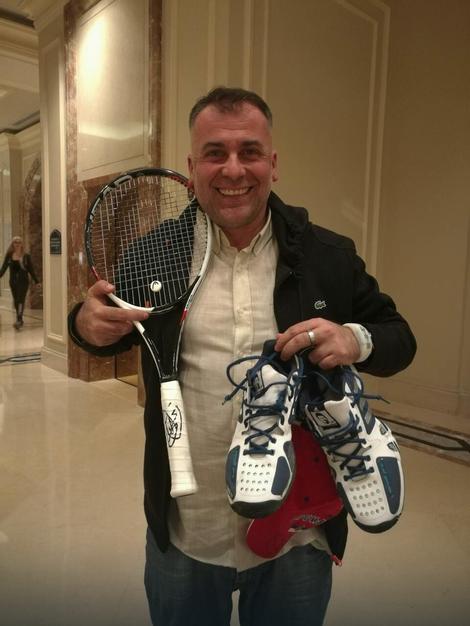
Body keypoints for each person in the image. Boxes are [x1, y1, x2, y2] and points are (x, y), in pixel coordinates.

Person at [68, 86, 416, 626]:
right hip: (186, 529)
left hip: (297, 537)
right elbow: (102, 330)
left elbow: (399, 339)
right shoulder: (153, 253)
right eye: (215, 153)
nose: (233, 169)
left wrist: (354, 339)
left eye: (249, 152)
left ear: (272, 164)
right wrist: (83, 323)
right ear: (192, 168)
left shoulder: (327, 255)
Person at [0, 236, 40, 329]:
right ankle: (19, 319)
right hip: (13, 282)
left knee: (20, 299)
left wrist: (37, 281)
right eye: (15, 242)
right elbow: (3, 268)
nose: (17, 244)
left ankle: (19, 319)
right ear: (12, 244)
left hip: (23, 282)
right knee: (16, 300)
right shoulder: (9, 255)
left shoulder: (26, 256)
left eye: (19, 242)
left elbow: (31, 270)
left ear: (22, 244)